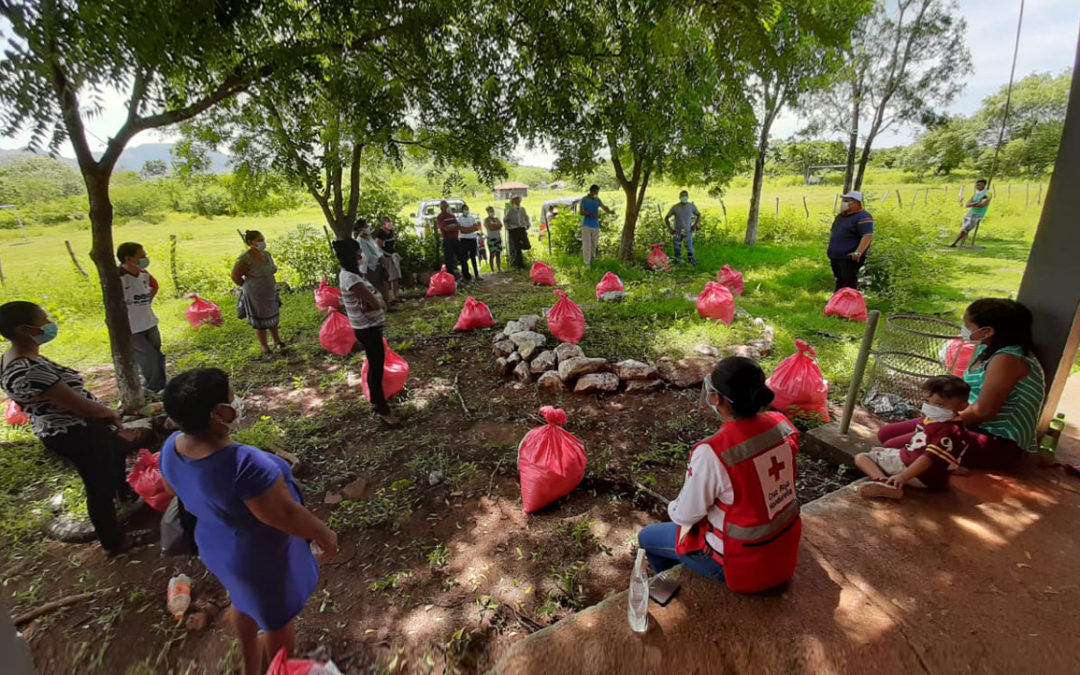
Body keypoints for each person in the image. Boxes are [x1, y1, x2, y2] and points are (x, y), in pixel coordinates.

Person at [158, 368, 338, 675]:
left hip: (217, 545)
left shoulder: (173, 446)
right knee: (276, 620)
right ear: (218, 412)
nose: (237, 400)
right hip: (260, 556)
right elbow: (284, 516)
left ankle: (250, 665)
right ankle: (279, 669)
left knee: (242, 601)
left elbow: (172, 490)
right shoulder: (246, 465)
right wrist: (324, 535)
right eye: (231, 396)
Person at [637, 357, 801, 592]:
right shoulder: (782, 424)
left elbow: (684, 516)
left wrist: (674, 506)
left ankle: (670, 590)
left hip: (745, 569)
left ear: (716, 397)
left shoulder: (714, 452)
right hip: (784, 551)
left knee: (648, 538)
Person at [0, 301, 147, 556]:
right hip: (76, 432)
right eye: (43, 321)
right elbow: (79, 406)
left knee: (116, 452)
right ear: (24, 329)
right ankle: (114, 541)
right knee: (97, 486)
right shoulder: (27, 371)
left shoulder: (14, 358)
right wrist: (110, 414)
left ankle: (124, 494)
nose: (49, 325)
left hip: (70, 429)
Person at [877, 298, 1045, 470]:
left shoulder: (1007, 359)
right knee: (885, 434)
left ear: (987, 331)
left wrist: (940, 427)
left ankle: (899, 480)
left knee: (893, 447)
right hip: (967, 424)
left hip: (997, 441)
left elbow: (983, 411)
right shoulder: (986, 348)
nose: (964, 330)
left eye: (968, 326)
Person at [856, 375, 971, 499]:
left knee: (862, 457)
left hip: (916, 473)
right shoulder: (954, 426)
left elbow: (928, 458)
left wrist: (903, 477)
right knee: (878, 450)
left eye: (940, 405)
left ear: (962, 406)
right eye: (927, 401)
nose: (931, 407)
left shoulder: (946, 430)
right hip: (935, 478)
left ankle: (884, 483)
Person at [331, 239, 401, 428]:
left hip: (368, 327)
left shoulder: (351, 274)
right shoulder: (351, 279)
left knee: (374, 363)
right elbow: (374, 302)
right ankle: (383, 410)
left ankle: (376, 402)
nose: (361, 255)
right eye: (358, 252)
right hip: (367, 329)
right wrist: (380, 301)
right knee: (376, 367)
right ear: (350, 255)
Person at [117, 242, 166, 394]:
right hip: (132, 328)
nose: (145, 259)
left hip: (149, 322)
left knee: (157, 354)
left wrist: (147, 300)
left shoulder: (144, 274)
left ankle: (162, 385)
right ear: (128, 258)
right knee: (147, 357)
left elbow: (154, 285)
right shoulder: (119, 278)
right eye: (141, 256)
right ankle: (151, 388)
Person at [231, 230, 285, 356]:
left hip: (270, 291)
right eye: (259, 240)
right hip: (255, 294)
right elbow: (235, 276)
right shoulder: (244, 259)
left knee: (273, 317)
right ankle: (266, 348)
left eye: (263, 239)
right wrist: (248, 287)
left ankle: (277, 341)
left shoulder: (266, 254)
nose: (263, 242)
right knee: (260, 322)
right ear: (251, 242)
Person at [826, 191, 874, 292]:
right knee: (839, 280)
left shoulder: (863, 217)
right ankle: (837, 303)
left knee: (849, 282)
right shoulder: (841, 217)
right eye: (843, 200)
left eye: (847, 201)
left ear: (856, 203)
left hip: (849, 257)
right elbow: (833, 232)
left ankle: (848, 304)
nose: (844, 203)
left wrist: (858, 252)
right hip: (836, 256)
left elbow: (867, 236)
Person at [353, 219, 391, 300]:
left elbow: (376, 248)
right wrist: (378, 258)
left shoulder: (369, 237)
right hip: (369, 267)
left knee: (384, 284)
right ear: (360, 229)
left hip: (378, 264)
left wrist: (381, 256)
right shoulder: (360, 241)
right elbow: (367, 255)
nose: (368, 228)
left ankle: (388, 303)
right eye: (366, 226)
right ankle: (383, 305)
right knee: (376, 287)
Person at [950, 179, 992, 248]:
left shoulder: (987, 193)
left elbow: (982, 204)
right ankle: (961, 244)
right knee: (965, 229)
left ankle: (954, 243)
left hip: (977, 214)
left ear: (984, 185)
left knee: (964, 229)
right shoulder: (976, 194)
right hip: (970, 213)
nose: (977, 186)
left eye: (979, 185)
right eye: (976, 185)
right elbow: (967, 204)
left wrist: (973, 204)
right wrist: (976, 203)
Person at [579, 184, 614, 267]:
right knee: (587, 244)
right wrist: (591, 214)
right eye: (596, 192)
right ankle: (587, 263)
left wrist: (610, 211)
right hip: (586, 225)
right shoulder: (584, 199)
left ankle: (592, 260)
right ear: (592, 191)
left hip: (595, 225)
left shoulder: (597, 200)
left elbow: (603, 207)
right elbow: (581, 212)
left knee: (594, 244)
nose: (597, 193)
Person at [436, 201, 471, 281]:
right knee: (449, 260)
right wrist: (453, 227)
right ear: (441, 207)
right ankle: (451, 277)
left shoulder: (452, 216)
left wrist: (452, 227)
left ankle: (466, 275)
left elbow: (458, 226)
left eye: (447, 205)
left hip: (455, 239)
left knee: (462, 257)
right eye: (445, 206)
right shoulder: (440, 217)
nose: (447, 207)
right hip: (447, 240)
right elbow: (445, 228)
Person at [665, 190, 701, 265]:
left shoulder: (691, 206)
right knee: (677, 248)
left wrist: (695, 225)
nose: (684, 197)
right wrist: (670, 228)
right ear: (679, 197)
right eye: (682, 196)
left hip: (688, 231)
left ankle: (692, 263)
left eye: (685, 196)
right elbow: (666, 218)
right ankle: (678, 263)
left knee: (690, 248)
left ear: (687, 197)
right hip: (677, 231)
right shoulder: (675, 207)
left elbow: (698, 215)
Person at [375, 217, 402, 302]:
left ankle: (396, 295)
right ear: (383, 224)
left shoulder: (391, 231)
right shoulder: (380, 233)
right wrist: (386, 255)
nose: (390, 224)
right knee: (390, 276)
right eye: (387, 222)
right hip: (386, 257)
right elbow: (378, 247)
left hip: (393, 256)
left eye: (390, 222)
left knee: (396, 276)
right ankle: (390, 297)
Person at [503, 195, 532, 270]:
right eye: (516, 201)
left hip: (522, 228)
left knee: (527, 245)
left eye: (519, 201)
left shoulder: (522, 209)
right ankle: (520, 265)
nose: (518, 202)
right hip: (514, 229)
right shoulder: (510, 211)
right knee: (518, 249)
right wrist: (508, 228)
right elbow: (505, 220)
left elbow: (526, 217)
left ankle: (519, 247)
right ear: (513, 202)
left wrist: (527, 224)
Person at [457, 204, 482, 280]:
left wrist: (467, 229)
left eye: (467, 209)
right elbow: (462, 230)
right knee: (464, 258)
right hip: (464, 240)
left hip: (472, 239)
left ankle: (476, 274)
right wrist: (470, 229)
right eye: (465, 209)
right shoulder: (459, 219)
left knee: (473, 257)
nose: (466, 211)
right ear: (462, 210)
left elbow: (476, 227)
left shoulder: (472, 218)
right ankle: (465, 275)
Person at [484, 206, 504, 273]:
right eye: (490, 211)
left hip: (498, 238)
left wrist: (495, 226)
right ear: (488, 212)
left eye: (492, 210)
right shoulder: (486, 220)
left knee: (498, 254)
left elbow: (500, 226)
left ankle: (499, 268)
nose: (492, 212)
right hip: (491, 239)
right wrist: (496, 226)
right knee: (492, 254)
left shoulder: (497, 219)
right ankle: (492, 269)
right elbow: (490, 227)